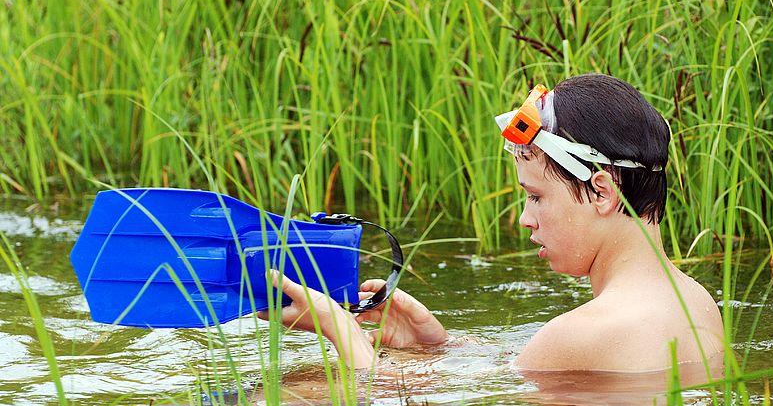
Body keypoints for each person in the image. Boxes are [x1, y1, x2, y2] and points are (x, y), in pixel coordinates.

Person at [258, 73, 724, 372]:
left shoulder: (586, 330)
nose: (524, 219)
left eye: (536, 197)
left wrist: (341, 331)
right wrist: (441, 347)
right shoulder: (696, 303)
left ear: (602, 191)